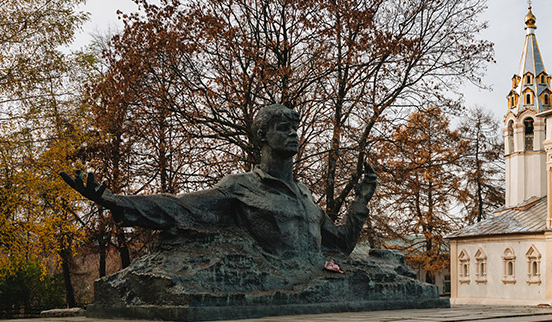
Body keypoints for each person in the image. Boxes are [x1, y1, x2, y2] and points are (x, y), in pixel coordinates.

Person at [61, 103, 377, 261]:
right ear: (263, 136)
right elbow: (179, 207)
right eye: (284, 128)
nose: (294, 134)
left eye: (296, 129)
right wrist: (113, 200)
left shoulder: (305, 195)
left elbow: (340, 244)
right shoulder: (240, 187)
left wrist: (361, 200)